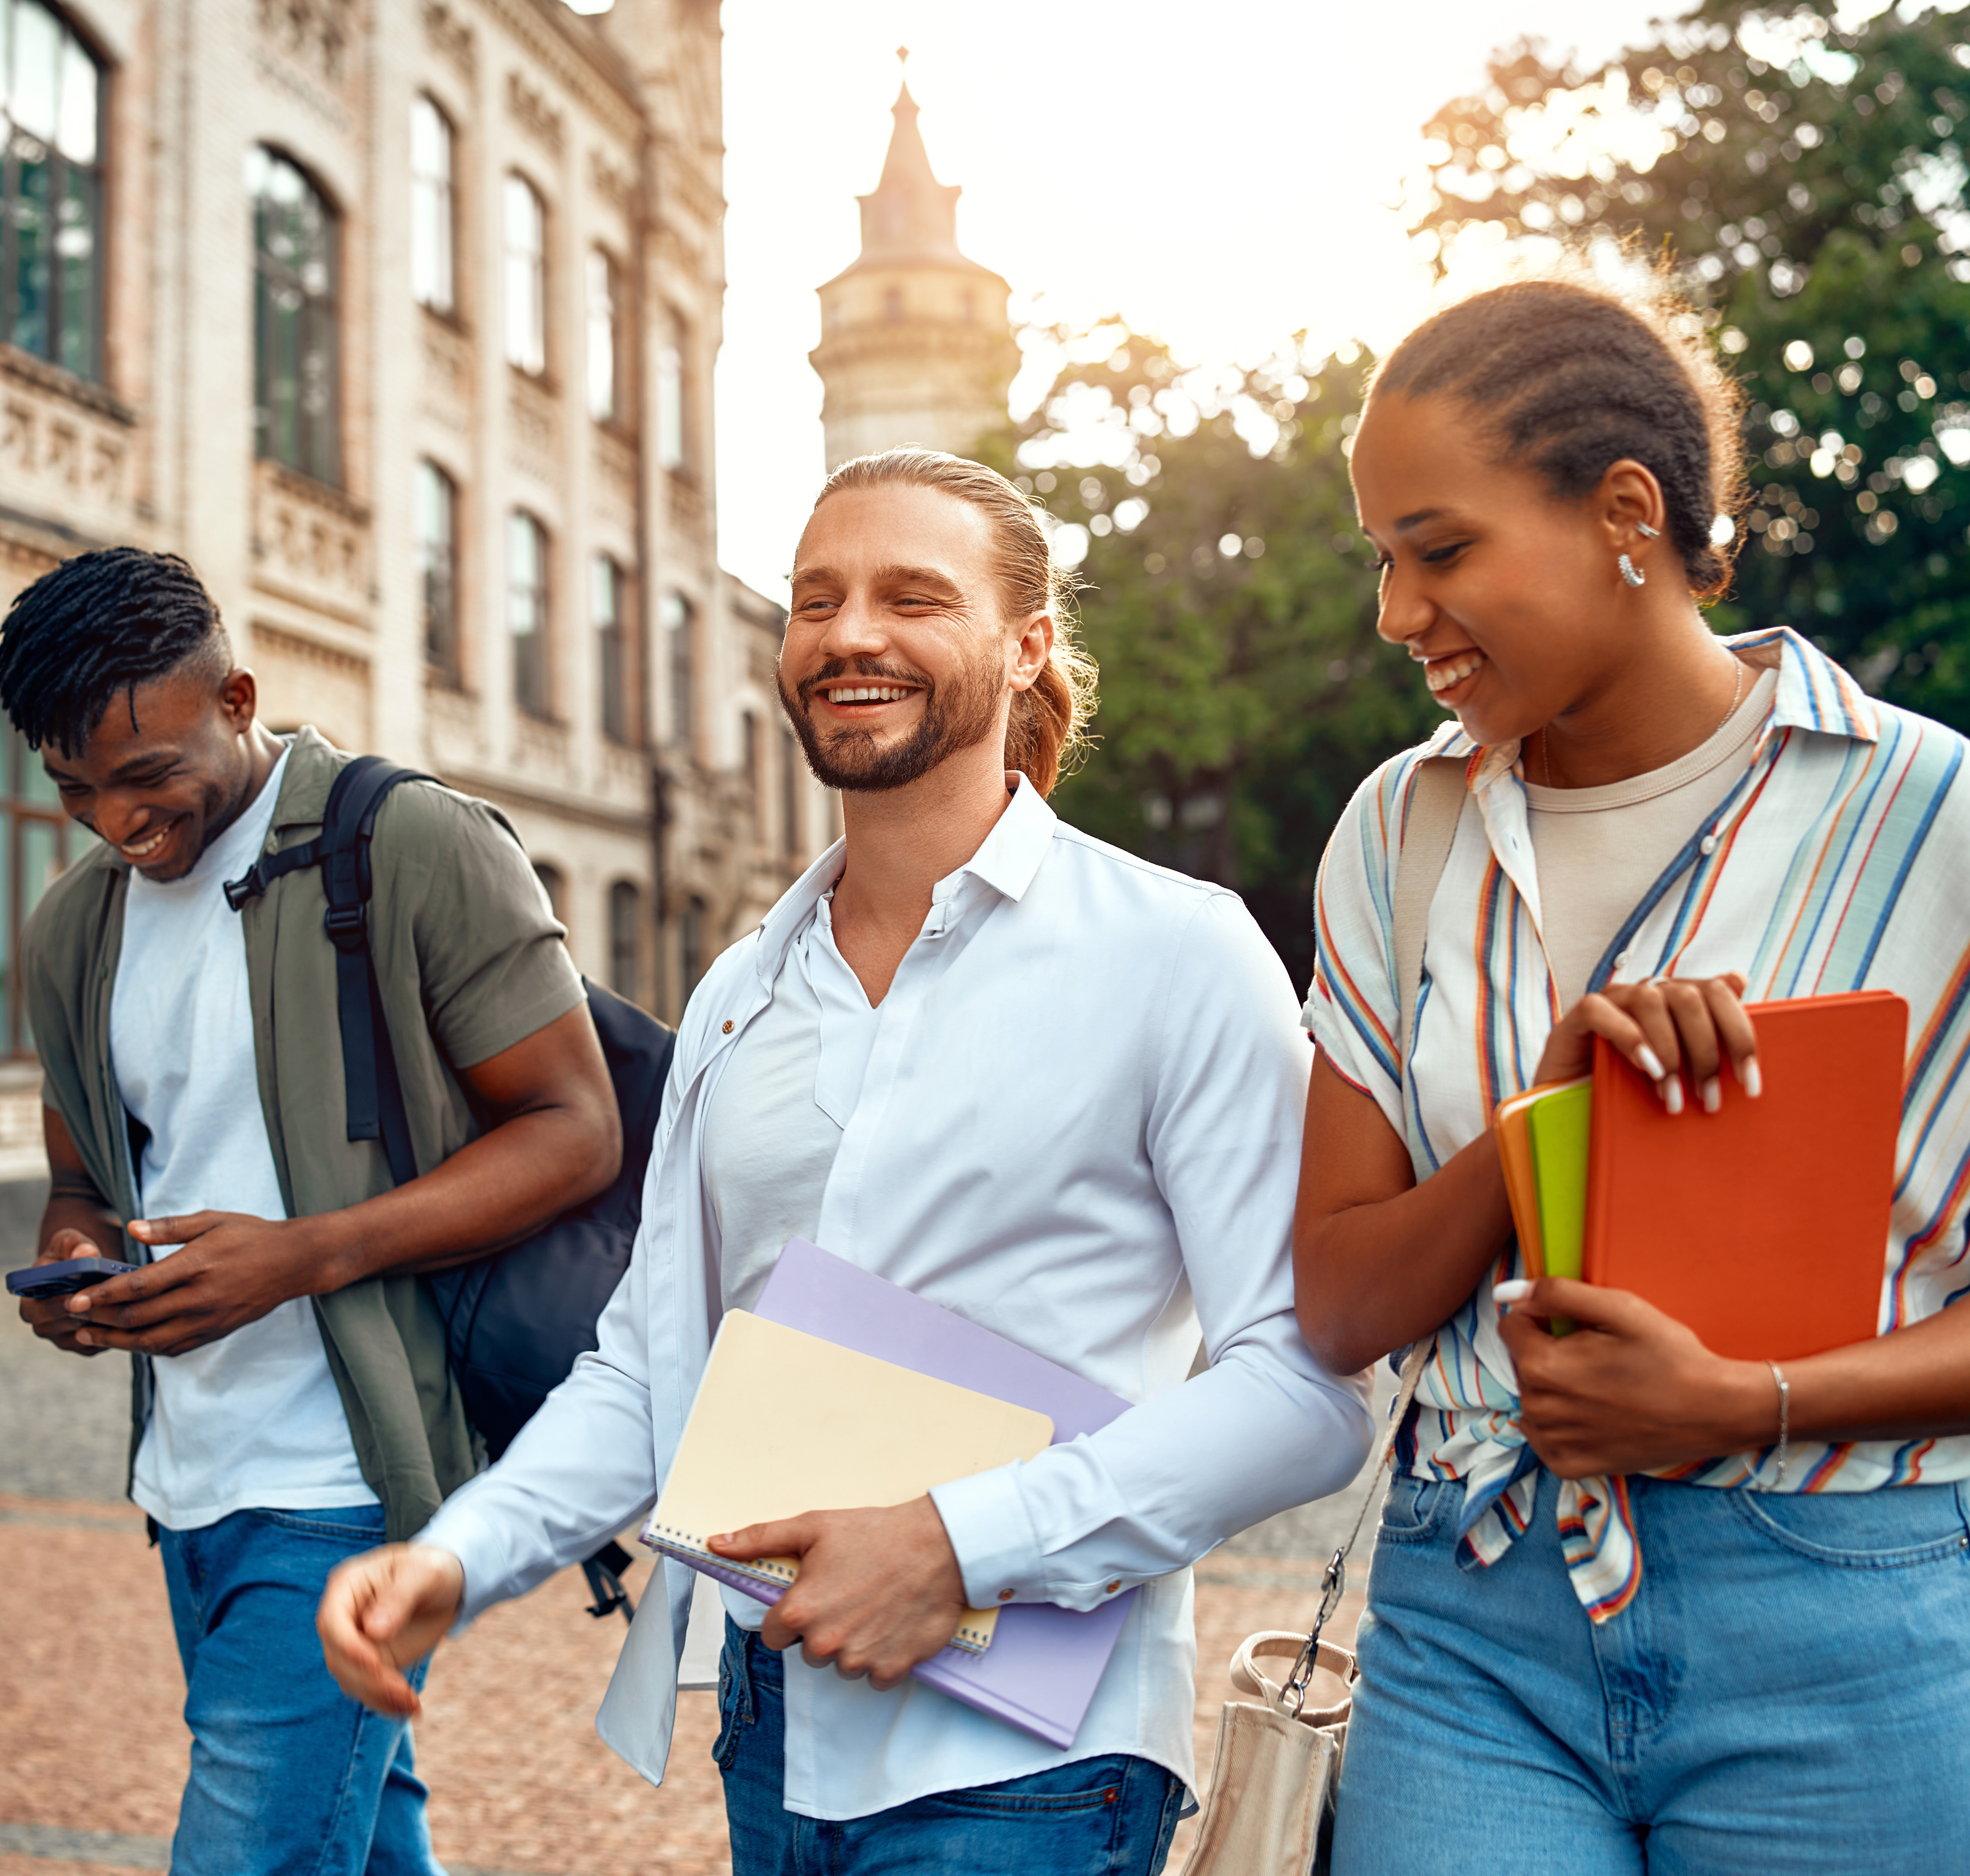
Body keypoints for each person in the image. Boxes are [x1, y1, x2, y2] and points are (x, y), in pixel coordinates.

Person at [317, 449, 1369, 1876]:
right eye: (817, 600)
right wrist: (462, 1554)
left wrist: (957, 1543)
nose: (850, 634)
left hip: (1032, 1769)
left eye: (911, 598)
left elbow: (1304, 1390)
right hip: (774, 1720)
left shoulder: (1175, 953)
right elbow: (654, 1366)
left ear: (1027, 647)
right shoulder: (740, 992)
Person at [1294, 274, 1970, 1875]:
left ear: (1627, 514)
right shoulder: (1399, 832)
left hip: (1839, 1617)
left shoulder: (1919, 807)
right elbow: (1343, 1307)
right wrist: (1543, 1121)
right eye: (1382, 562)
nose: (1398, 614)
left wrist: (1744, 1403)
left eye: (1441, 550)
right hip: (1474, 1624)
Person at [0, 546, 623, 1876]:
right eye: (74, 790)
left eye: (146, 776)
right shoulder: (73, 928)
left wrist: (304, 1257)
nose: (117, 822)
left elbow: (576, 1130)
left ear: (238, 698)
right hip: (188, 1480)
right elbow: (83, 1180)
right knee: (363, 1839)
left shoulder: (409, 843)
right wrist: (78, 1263)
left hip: (347, 1477)